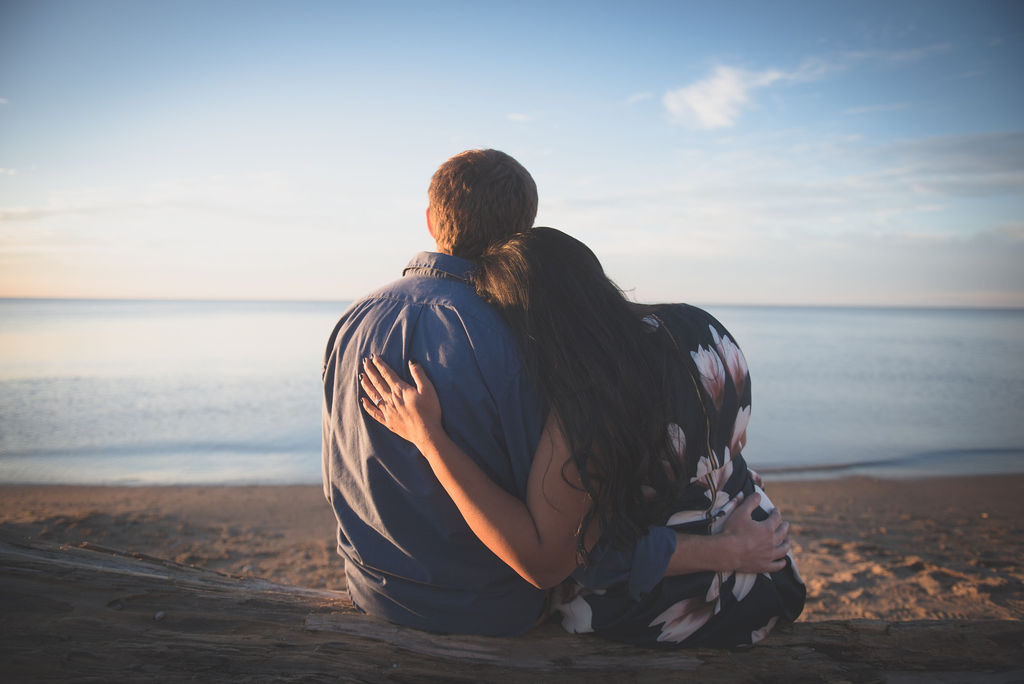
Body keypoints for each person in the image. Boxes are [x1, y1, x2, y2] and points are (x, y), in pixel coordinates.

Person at [359, 227, 805, 647]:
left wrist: (429, 438)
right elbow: (725, 444)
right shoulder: (699, 326)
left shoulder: (593, 400)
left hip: (697, 599)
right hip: (772, 564)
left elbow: (559, 561)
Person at [323, 150, 682, 636]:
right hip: (487, 612)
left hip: (373, 593)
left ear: (431, 220)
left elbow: (338, 476)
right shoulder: (524, 337)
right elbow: (562, 526)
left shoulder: (351, 321)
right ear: (524, 232)